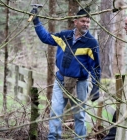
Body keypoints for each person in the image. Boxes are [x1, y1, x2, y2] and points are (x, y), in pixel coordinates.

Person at [30, 7, 101, 140]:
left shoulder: (91, 42)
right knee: (56, 111)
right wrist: (36, 21)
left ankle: (79, 138)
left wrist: (96, 87)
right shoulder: (64, 36)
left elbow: (96, 67)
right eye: (83, 21)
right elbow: (46, 37)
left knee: (79, 115)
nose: (86, 24)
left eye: (88, 22)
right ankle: (54, 137)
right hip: (61, 80)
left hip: (79, 83)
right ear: (75, 22)